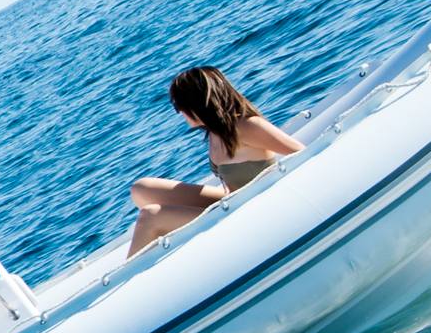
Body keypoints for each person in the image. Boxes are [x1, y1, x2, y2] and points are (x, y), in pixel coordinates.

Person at [127, 64, 304, 256]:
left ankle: (133, 272)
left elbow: (303, 154)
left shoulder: (246, 127)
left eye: (180, 107)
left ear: (197, 103)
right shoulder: (215, 133)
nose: (179, 113)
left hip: (250, 210)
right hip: (232, 201)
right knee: (142, 189)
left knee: (150, 216)